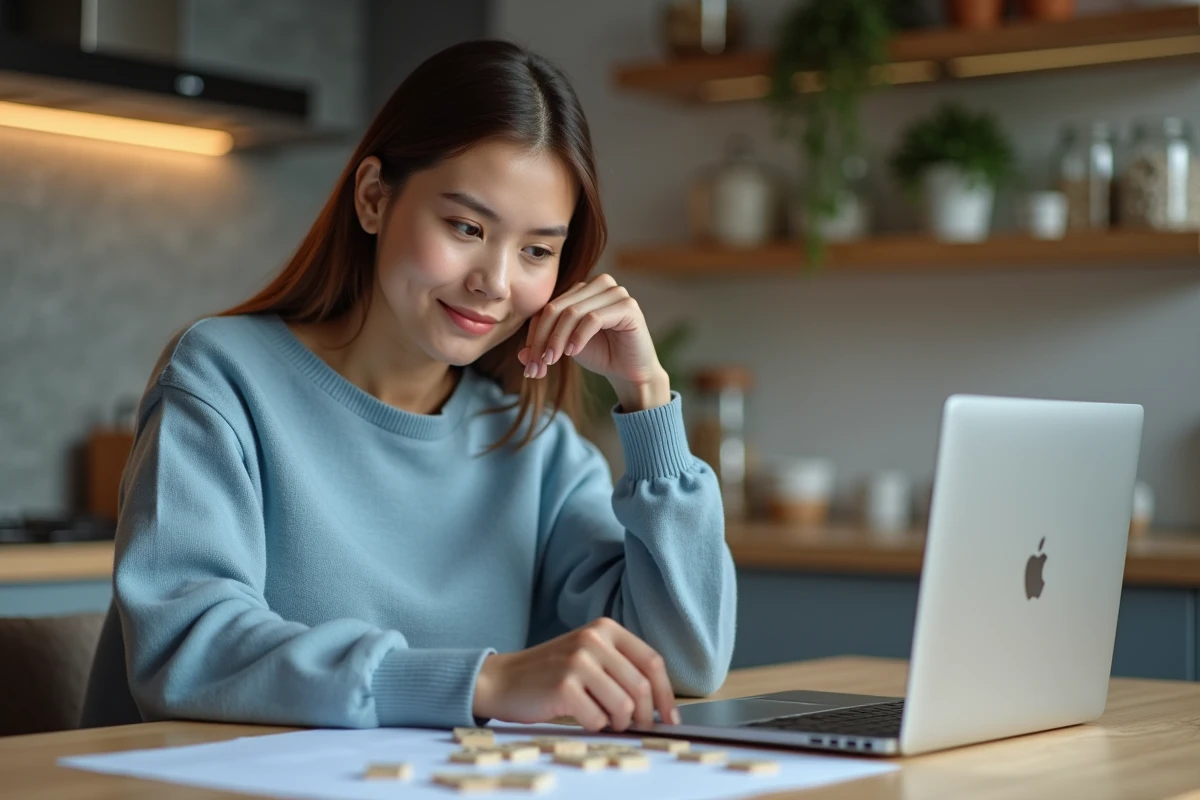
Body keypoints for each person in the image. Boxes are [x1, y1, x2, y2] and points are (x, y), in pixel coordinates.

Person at [80, 39, 736, 734]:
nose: (496, 282)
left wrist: (647, 397)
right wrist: (481, 682)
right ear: (373, 197)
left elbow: (684, 663)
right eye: (466, 226)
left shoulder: (536, 447)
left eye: (537, 250)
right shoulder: (223, 376)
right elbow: (185, 649)